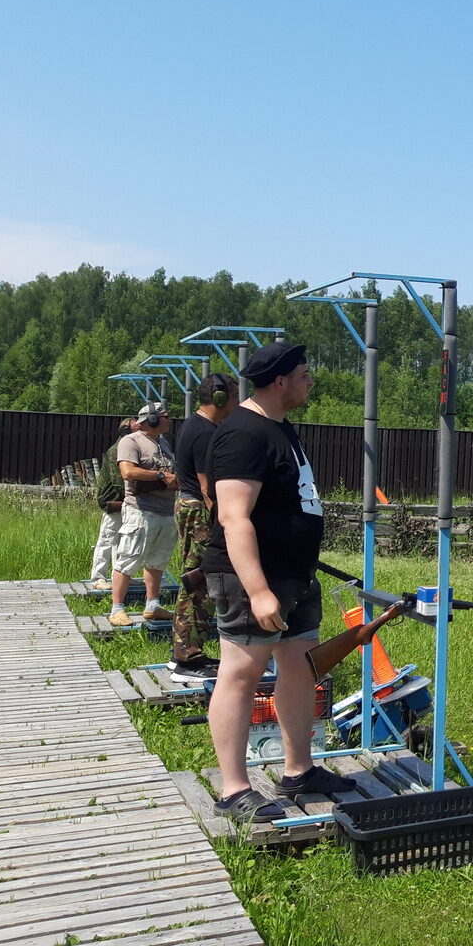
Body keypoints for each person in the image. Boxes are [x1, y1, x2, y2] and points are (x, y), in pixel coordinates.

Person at [203, 340, 356, 822]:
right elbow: (233, 517)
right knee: (242, 673)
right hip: (254, 579)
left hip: (294, 577)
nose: (310, 380)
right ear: (279, 380)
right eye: (304, 373)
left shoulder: (279, 429)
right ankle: (233, 789)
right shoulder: (243, 434)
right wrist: (258, 589)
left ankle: (298, 770)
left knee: (300, 669)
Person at [167, 372, 240, 683]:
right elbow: (208, 486)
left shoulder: (195, 425)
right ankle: (188, 658)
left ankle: (185, 652)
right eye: (235, 396)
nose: (238, 403)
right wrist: (227, 523)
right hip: (199, 510)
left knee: (195, 581)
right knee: (200, 584)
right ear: (221, 398)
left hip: (190, 507)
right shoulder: (205, 432)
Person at [109, 403, 178, 626]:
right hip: (140, 511)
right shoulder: (131, 441)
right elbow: (127, 471)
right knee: (128, 558)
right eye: (165, 416)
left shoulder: (163, 443)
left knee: (158, 560)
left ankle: (152, 605)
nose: (169, 420)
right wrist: (160, 476)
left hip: (165, 511)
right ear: (153, 419)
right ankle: (117, 608)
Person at [88, 418, 134, 590]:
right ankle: (98, 577)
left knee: (121, 542)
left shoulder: (124, 448)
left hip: (123, 501)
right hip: (114, 500)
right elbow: (118, 481)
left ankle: (118, 577)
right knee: (107, 540)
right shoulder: (118, 450)